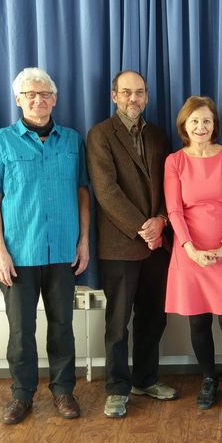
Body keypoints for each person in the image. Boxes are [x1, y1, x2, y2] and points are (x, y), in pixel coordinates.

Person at [0, 67, 90, 424]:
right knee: (21, 331)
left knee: (62, 326)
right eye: (30, 95)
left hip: (62, 253)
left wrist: (84, 241)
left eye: (45, 95)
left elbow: (83, 191)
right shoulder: (0, 142)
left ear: (55, 99)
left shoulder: (72, 140)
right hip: (18, 254)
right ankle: (21, 396)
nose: (38, 101)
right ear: (19, 100)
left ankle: (63, 391)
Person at [86, 70, 177, 419]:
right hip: (121, 244)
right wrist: (143, 227)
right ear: (114, 96)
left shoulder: (157, 134)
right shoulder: (100, 135)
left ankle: (145, 379)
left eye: (139, 92)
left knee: (154, 317)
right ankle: (117, 388)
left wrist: (162, 221)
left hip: (157, 244)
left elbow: (171, 184)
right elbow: (106, 190)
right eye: (126, 92)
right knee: (118, 322)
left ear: (147, 96)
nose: (133, 99)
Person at [163, 95, 222, 412]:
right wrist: (190, 250)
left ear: (215, 125)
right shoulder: (175, 161)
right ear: (184, 125)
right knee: (198, 323)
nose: (201, 126)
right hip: (190, 253)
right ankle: (209, 379)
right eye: (195, 121)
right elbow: (174, 210)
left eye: (207, 121)